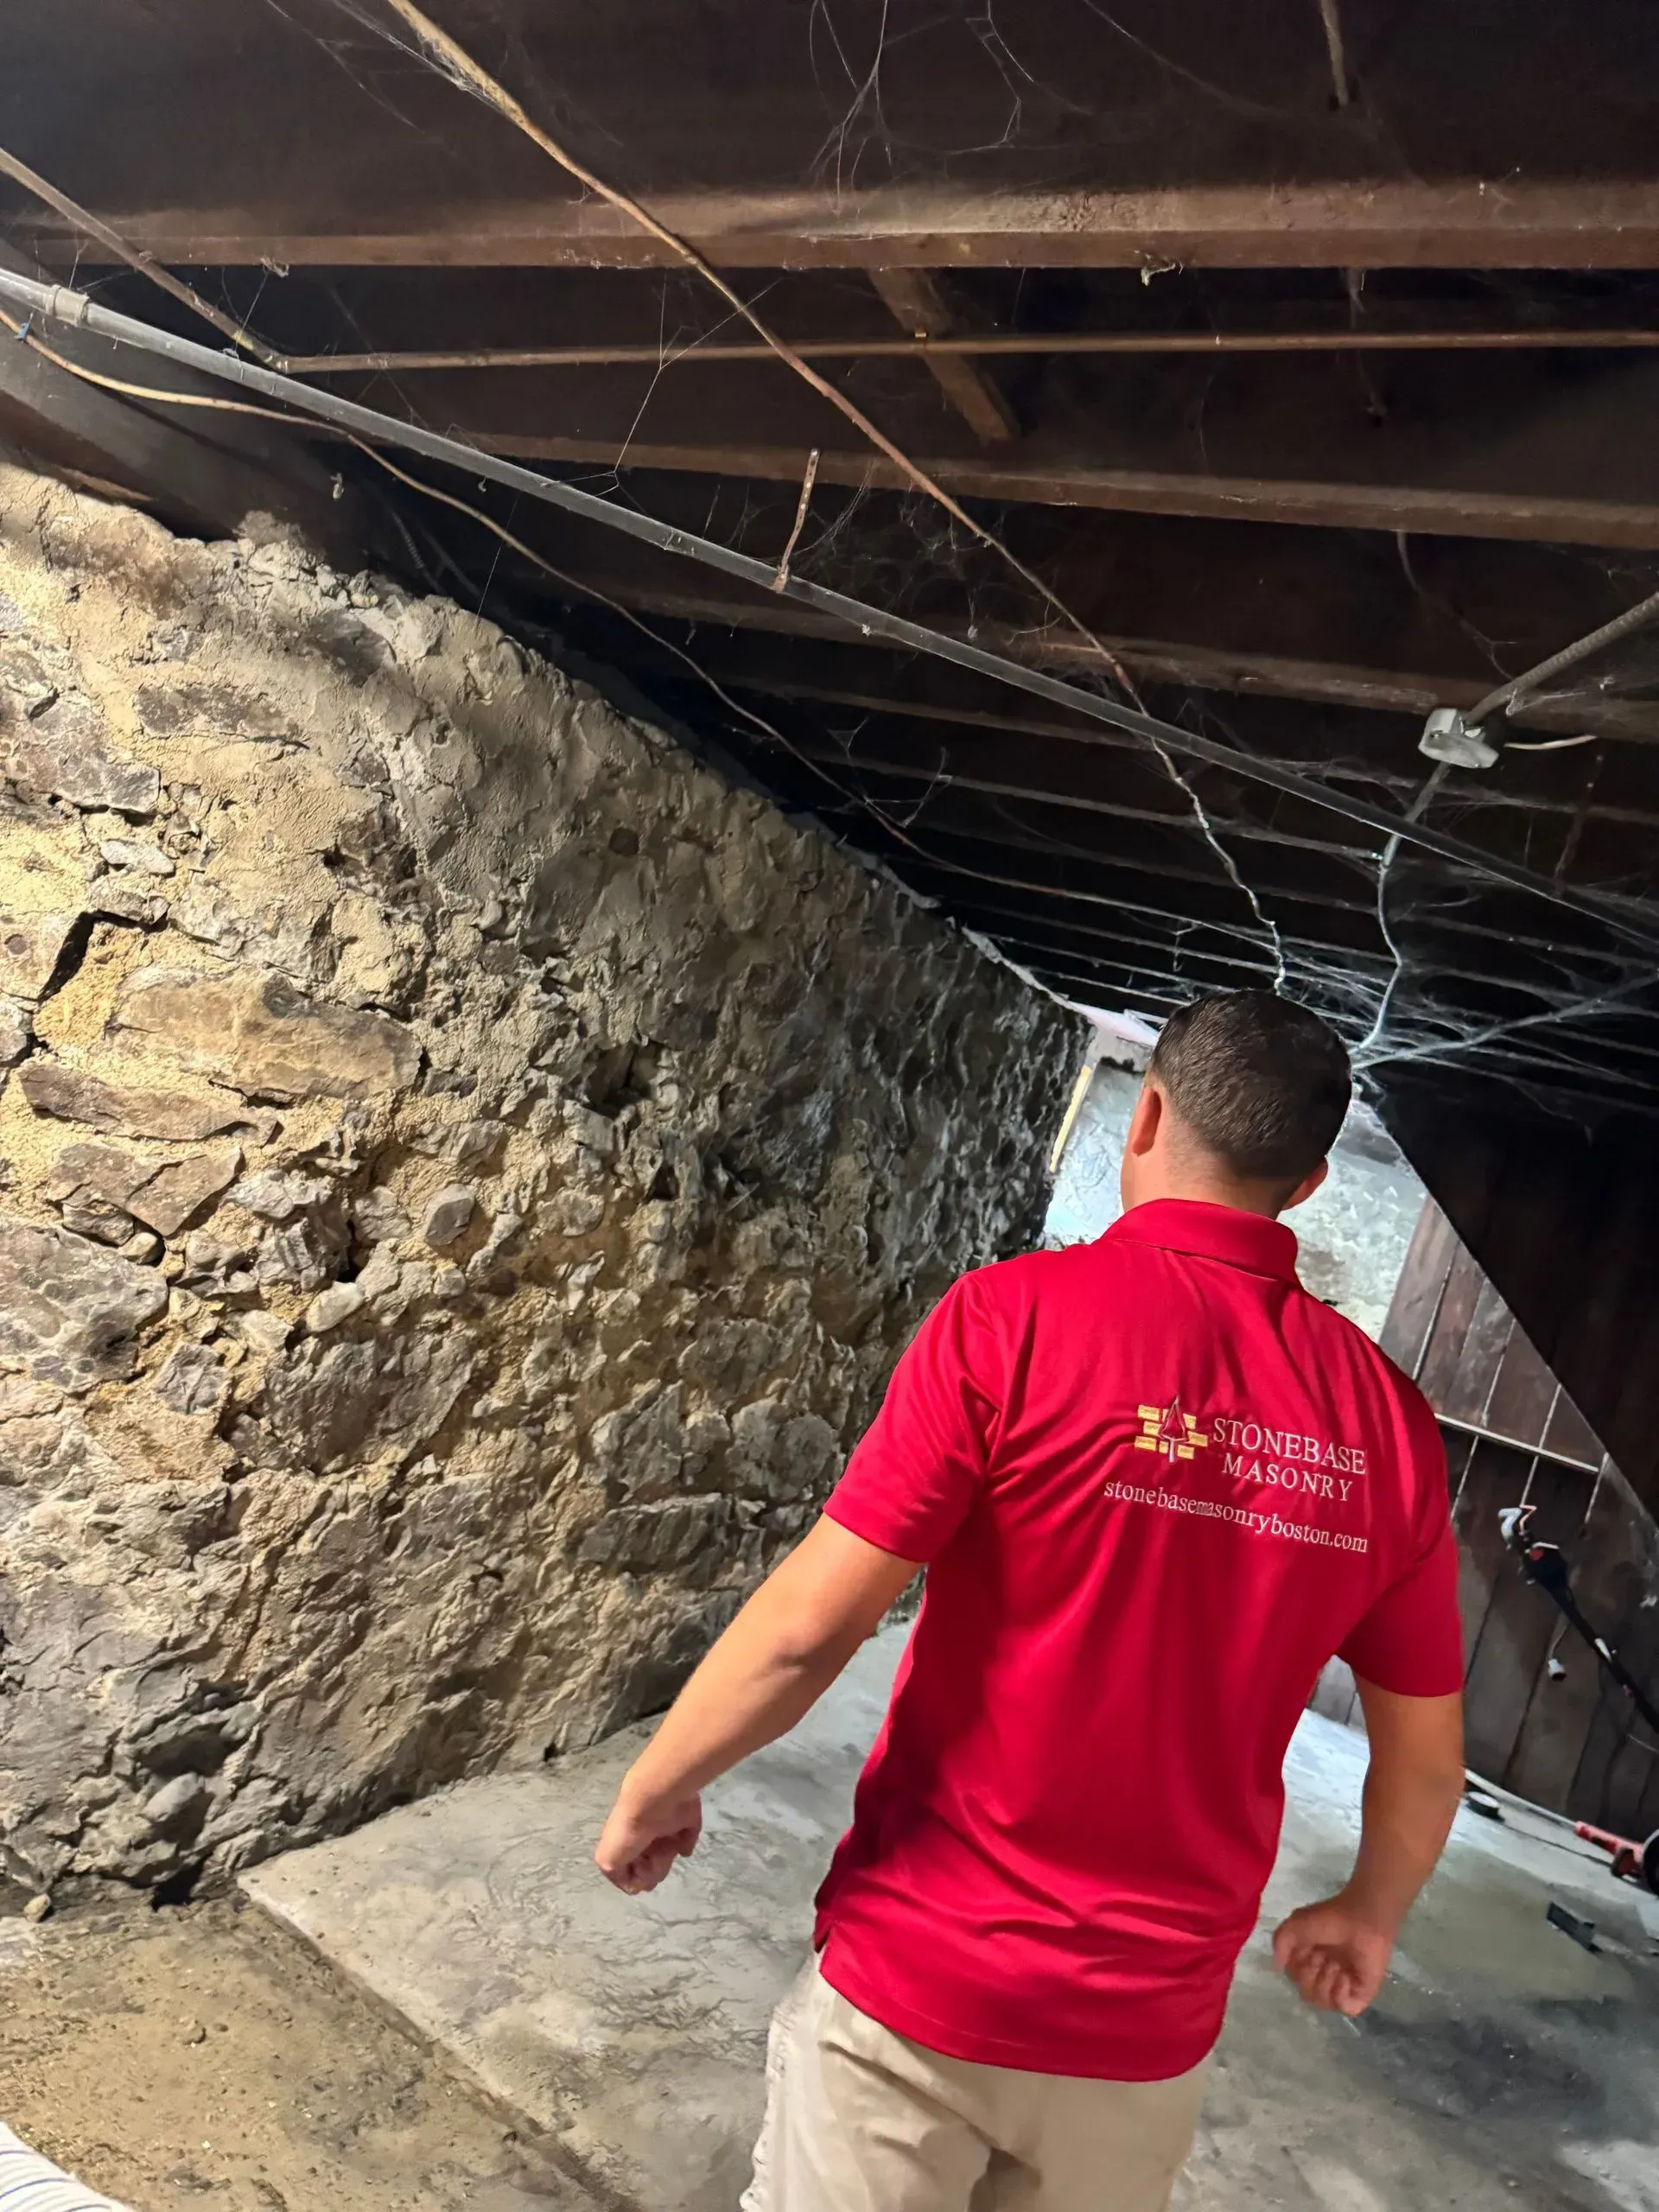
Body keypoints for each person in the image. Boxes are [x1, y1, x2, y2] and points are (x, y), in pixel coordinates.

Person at [595, 990, 1466, 2212]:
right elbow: (1426, 1760)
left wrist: (660, 1780)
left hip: (923, 1978)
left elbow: (809, 1631)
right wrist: (1370, 1913)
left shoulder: (1012, 1322)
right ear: (1310, 1187)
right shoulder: (1389, 1426)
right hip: (1146, 2032)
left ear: (1146, 1112)